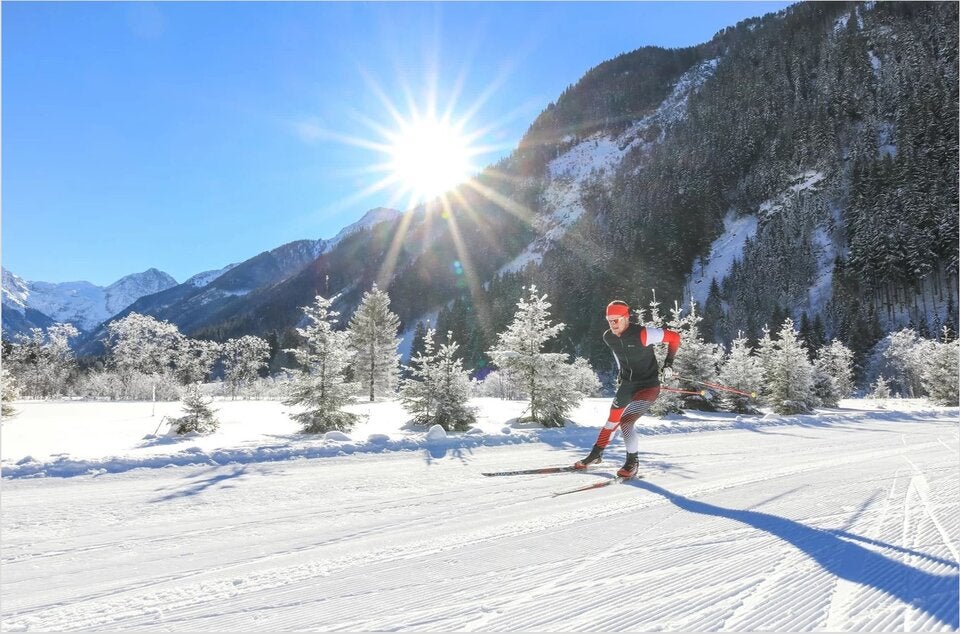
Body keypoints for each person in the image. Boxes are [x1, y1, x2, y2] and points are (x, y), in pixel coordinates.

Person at [574, 300, 680, 478]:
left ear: (626, 318)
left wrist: (668, 364)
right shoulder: (609, 337)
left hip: (648, 386)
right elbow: (618, 354)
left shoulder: (643, 334)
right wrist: (620, 372)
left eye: (616, 320)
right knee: (611, 421)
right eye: (609, 320)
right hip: (627, 384)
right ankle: (596, 454)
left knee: (626, 421)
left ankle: (632, 462)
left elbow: (674, 337)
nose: (613, 324)